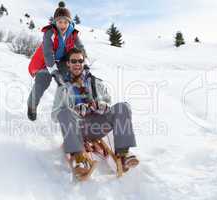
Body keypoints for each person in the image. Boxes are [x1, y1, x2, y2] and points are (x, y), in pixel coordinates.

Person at [51, 48, 139, 180]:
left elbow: (109, 102)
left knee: (123, 107)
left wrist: (102, 106)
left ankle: (123, 153)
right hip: (78, 129)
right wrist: (75, 111)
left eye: (80, 61)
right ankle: (79, 158)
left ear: (83, 62)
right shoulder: (63, 88)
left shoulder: (96, 82)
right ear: (68, 64)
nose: (77, 64)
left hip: (99, 124)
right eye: (73, 61)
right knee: (64, 112)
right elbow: (55, 114)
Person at [27, 2, 87, 121]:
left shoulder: (73, 34)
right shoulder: (50, 32)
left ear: (69, 22)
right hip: (45, 62)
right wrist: (53, 72)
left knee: (68, 82)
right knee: (41, 83)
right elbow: (48, 53)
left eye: (65, 22)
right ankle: (31, 106)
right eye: (60, 22)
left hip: (62, 62)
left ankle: (71, 109)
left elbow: (81, 49)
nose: (63, 25)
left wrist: (84, 63)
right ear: (55, 22)